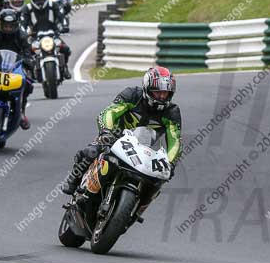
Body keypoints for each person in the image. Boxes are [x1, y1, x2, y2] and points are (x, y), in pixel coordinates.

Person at [61, 66, 182, 195]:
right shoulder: (132, 95)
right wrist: (107, 131)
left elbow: (175, 141)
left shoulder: (172, 112)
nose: (162, 96)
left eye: (166, 93)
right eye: (158, 92)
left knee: (158, 181)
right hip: (116, 137)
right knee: (92, 151)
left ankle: (134, 212)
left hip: (146, 150)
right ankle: (73, 178)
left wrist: (170, 162)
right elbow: (108, 113)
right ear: (147, 89)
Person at [22, 0, 72, 80]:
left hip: (53, 35)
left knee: (65, 49)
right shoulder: (27, 8)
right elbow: (22, 22)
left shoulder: (53, 5)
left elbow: (61, 15)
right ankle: (30, 71)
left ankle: (65, 67)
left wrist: (64, 26)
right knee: (26, 53)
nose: (39, 1)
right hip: (34, 37)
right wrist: (22, 33)